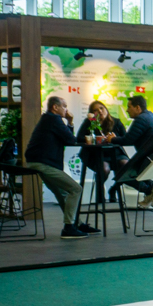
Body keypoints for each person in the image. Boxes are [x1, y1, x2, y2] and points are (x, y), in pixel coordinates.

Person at [24, 96, 97, 239]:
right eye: (64, 106)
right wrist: (70, 122)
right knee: (76, 189)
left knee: (63, 193)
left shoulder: (48, 119)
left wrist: (68, 123)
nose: (66, 109)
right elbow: (70, 140)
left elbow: (67, 139)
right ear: (55, 107)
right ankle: (69, 228)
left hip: (38, 162)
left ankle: (76, 224)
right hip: (44, 163)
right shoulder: (53, 119)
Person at [102, 94, 153, 208]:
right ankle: (152, 189)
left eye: (129, 107)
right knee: (124, 168)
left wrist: (112, 139)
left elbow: (128, 140)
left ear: (138, 108)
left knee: (122, 173)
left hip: (150, 158)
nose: (127, 110)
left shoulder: (141, 119)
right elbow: (130, 138)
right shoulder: (150, 116)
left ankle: (150, 189)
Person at [76, 100, 128, 203]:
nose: (100, 111)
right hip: (96, 154)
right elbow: (79, 138)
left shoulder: (116, 122)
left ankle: (113, 189)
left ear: (106, 109)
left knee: (126, 165)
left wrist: (114, 138)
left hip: (115, 153)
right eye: (95, 110)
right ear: (92, 113)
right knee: (104, 168)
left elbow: (125, 138)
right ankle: (100, 195)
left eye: (101, 108)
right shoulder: (89, 122)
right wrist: (93, 139)